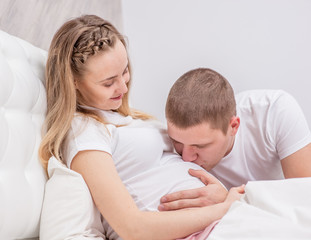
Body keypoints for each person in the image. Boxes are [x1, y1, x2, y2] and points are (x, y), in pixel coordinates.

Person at [39, 15, 244, 240]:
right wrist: (224, 209)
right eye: (108, 82)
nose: (123, 87)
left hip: (217, 223)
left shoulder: (125, 119)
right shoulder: (84, 133)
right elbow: (133, 227)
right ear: (73, 82)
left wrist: (222, 198)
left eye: (125, 72)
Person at [159, 67, 311, 211]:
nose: (186, 157)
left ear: (233, 126)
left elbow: (304, 195)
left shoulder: (274, 111)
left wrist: (231, 200)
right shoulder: (164, 140)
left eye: (200, 146)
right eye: (178, 142)